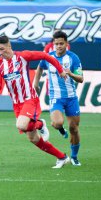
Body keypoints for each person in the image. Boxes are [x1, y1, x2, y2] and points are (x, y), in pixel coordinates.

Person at [0, 36, 70, 169]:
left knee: (20, 125)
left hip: (29, 98)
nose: (0, 52)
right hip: (16, 103)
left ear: (9, 46)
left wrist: (60, 70)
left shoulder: (23, 56)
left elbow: (46, 56)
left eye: (2, 49)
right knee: (33, 139)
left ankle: (39, 124)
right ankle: (62, 157)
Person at [34, 30, 84, 166]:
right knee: (57, 123)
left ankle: (74, 156)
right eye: (56, 44)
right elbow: (39, 68)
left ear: (66, 44)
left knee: (74, 128)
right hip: (56, 97)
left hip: (71, 98)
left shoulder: (73, 58)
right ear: (53, 44)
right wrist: (35, 83)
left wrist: (71, 74)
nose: (59, 46)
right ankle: (60, 129)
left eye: (61, 43)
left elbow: (81, 78)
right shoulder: (48, 57)